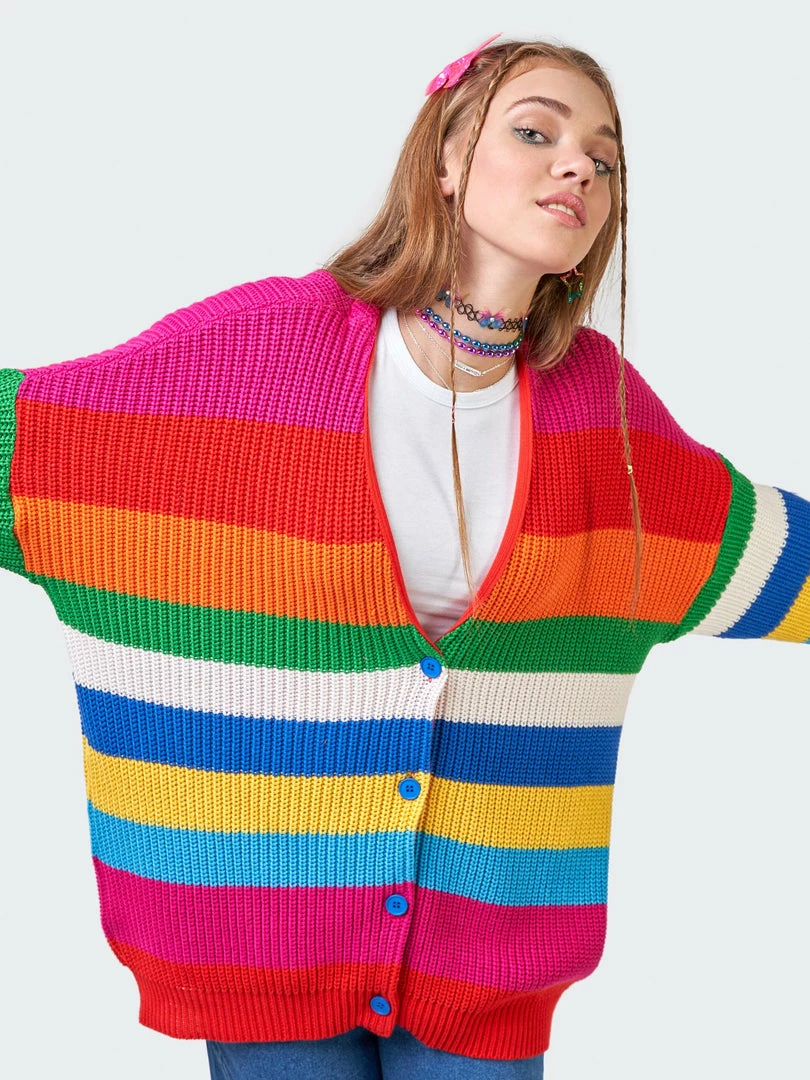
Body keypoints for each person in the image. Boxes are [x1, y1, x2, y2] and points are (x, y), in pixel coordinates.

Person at [0, 31, 807, 1080]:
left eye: (605, 160)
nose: (579, 166)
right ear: (447, 157)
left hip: (487, 968)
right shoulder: (250, 355)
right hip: (261, 948)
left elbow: (768, 555)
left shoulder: (606, 421)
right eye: (538, 133)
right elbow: (39, 446)